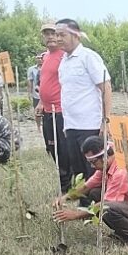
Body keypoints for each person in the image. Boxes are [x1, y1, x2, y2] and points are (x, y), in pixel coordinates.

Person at [53, 136, 128, 244]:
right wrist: (65, 197)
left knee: (107, 207)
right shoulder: (108, 163)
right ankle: (122, 231)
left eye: (93, 162)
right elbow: (87, 186)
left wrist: (75, 215)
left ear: (104, 158)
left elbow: (104, 204)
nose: (92, 166)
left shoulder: (121, 171)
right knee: (94, 192)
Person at [56, 18, 112, 182]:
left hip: (90, 125)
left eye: (62, 35)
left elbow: (106, 88)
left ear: (76, 35)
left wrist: (106, 121)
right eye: (57, 35)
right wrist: (66, 124)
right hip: (71, 125)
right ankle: (84, 204)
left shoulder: (89, 57)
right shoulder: (63, 62)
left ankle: (99, 205)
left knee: (93, 170)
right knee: (78, 170)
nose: (58, 39)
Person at [35, 21, 73, 193]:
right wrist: (41, 102)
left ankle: (67, 184)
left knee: (62, 148)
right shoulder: (46, 57)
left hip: (60, 111)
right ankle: (63, 178)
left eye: (53, 33)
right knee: (50, 146)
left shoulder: (64, 56)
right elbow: (45, 83)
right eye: (46, 33)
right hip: (47, 111)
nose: (50, 36)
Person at [27, 53, 43, 132]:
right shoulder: (31, 69)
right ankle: (38, 126)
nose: (40, 59)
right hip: (36, 94)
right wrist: (29, 93)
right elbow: (30, 81)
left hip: (46, 94)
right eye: (38, 58)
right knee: (37, 111)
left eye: (41, 58)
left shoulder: (47, 67)